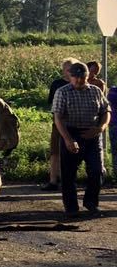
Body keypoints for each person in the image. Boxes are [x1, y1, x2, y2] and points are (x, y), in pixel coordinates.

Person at [52, 61, 109, 216]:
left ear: (87, 76)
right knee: (69, 173)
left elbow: (106, 111)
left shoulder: (96, 91)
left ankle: (91, 202)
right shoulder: (62, 92)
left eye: (82, 78)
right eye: (75, 78)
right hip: (70, 132)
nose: (78, 81)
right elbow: (58, 118)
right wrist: (68, 139)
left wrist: (100, 128)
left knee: (97, 170)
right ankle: (71, 207)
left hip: (92, 134)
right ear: (70, 77)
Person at [48, 59, 81, 189]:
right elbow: (52, 104)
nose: (69, 72)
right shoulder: (57, 84)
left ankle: (69, 180)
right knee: (55, 151)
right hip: (58, 122)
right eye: (67, 69)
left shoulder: (80, 83)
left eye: (71, 69)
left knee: (74, 152)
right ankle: (53, 180)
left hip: (75, 124)